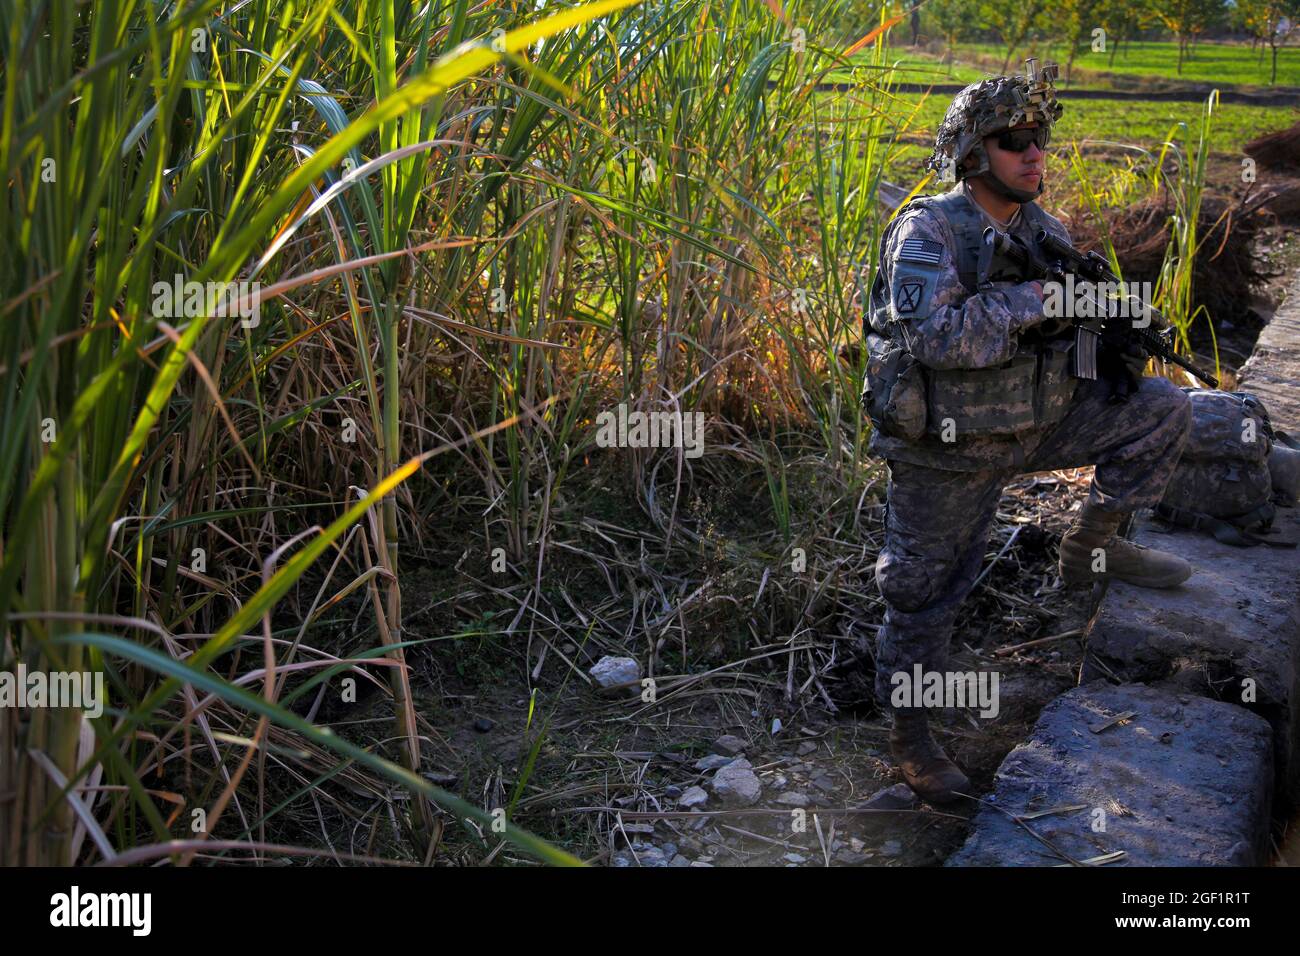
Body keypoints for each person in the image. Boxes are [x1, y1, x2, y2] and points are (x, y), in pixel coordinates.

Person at [862, 60, 1193, 804]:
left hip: (1034, 425)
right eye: (1015, 140)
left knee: (1161, 410)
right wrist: (1036, 298)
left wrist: (1106, 336)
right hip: (946, 449)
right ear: (974, 155)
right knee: (922, 591)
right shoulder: (928, 232)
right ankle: (910, 741)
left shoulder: (1044, 229)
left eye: (1040, 138)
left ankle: (1089, 550)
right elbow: (941, 341)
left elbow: (1064, 330)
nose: (1035, 153)